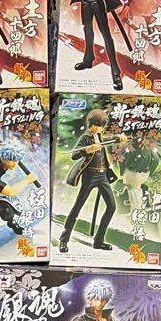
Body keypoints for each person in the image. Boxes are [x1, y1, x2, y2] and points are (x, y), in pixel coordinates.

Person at [58, 108, 117, 253]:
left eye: (101, 126)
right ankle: (64, 240)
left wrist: (119, 138)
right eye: (96, 125)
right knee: (77, 207)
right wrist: (87, 150)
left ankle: (98, 241)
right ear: (90, 124)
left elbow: (108, 140)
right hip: (90, 176)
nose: (99, 128)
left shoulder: (100, 136)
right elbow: (74, 155)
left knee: (111, 206)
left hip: (102, 176)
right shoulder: (85, 138)